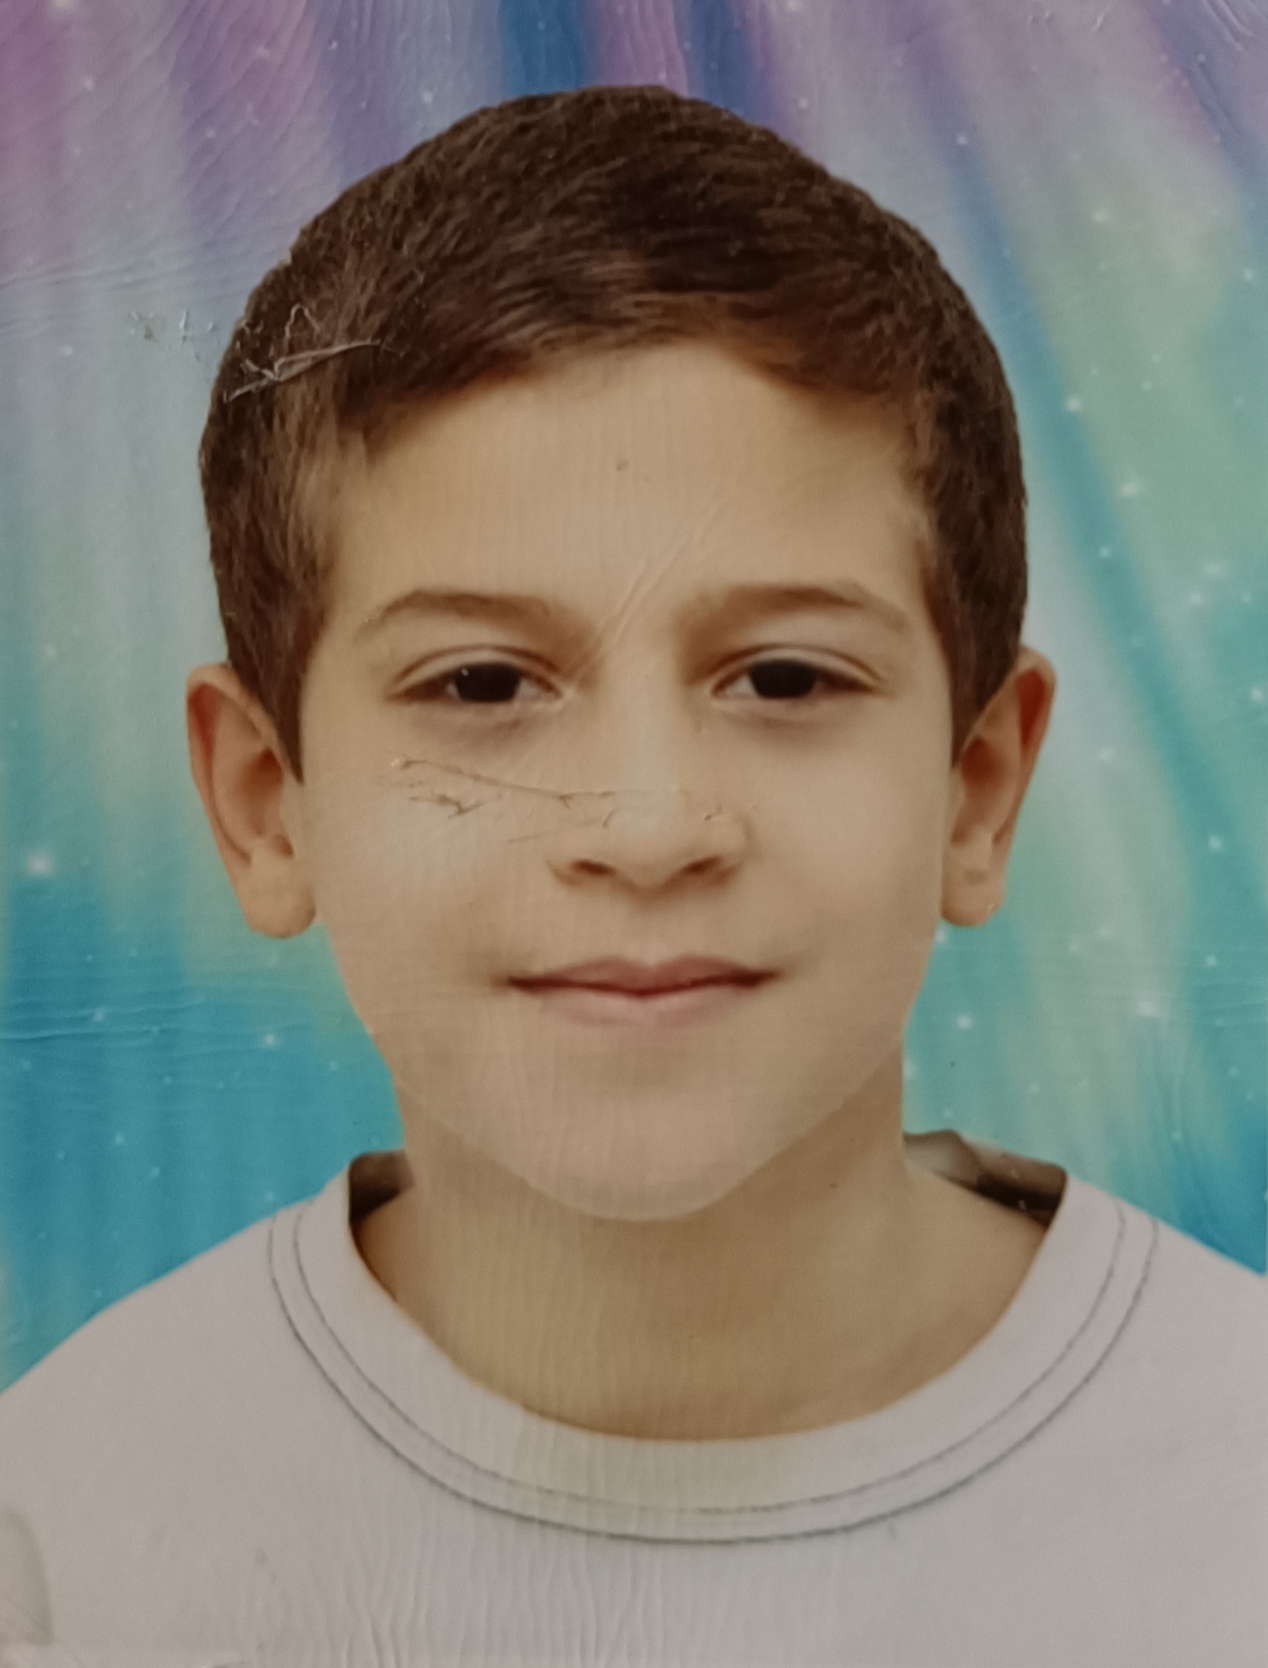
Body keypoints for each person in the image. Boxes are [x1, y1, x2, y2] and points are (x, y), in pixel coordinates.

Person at [0, 85, 1263, 1667]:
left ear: (978, 789)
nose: (650, 825)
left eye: (786, 677)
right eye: (480, 683)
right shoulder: (65, 1541)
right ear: (268, 806)